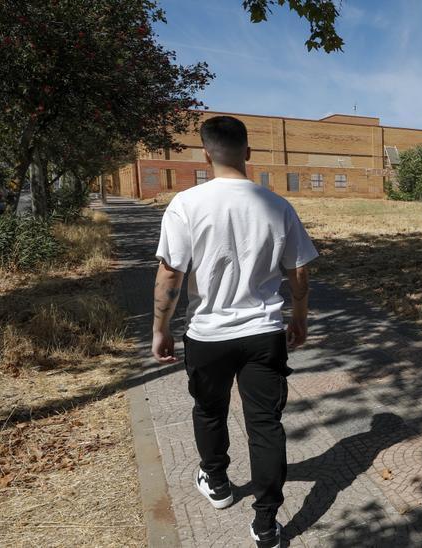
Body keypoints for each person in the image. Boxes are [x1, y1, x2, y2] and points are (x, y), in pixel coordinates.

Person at [151, 115, 316, 547]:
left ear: (205, 153)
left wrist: (160, 328)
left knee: (209, 411)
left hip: (207, 334)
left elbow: (170, 275)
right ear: (248, 152)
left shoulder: (186, 205)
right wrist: (299, 316)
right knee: (265, 425)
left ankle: (219, 483)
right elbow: (298, 273)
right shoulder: (277, 205)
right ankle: (265, 523)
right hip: (264, 332)